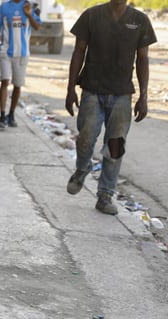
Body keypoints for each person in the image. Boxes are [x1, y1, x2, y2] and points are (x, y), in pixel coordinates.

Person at [65, 0, 156, 215]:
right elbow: (78, 52)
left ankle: (105, 195)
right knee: (86, 138)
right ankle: (82, 169)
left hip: (122, 94)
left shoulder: (139, 20)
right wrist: (70, 89)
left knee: (115, 145)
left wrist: (143, 97)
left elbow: (143, 59)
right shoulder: (91, 15)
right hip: (92, 90)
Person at [0, 0, 41, 129]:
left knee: (17, 85)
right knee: (4, 81)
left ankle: (11, 114)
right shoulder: (4, 7)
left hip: (22, 53)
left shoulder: (28, 6)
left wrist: (28, 14)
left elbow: (37, 26)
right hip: (5, 51)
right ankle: (2, 115)